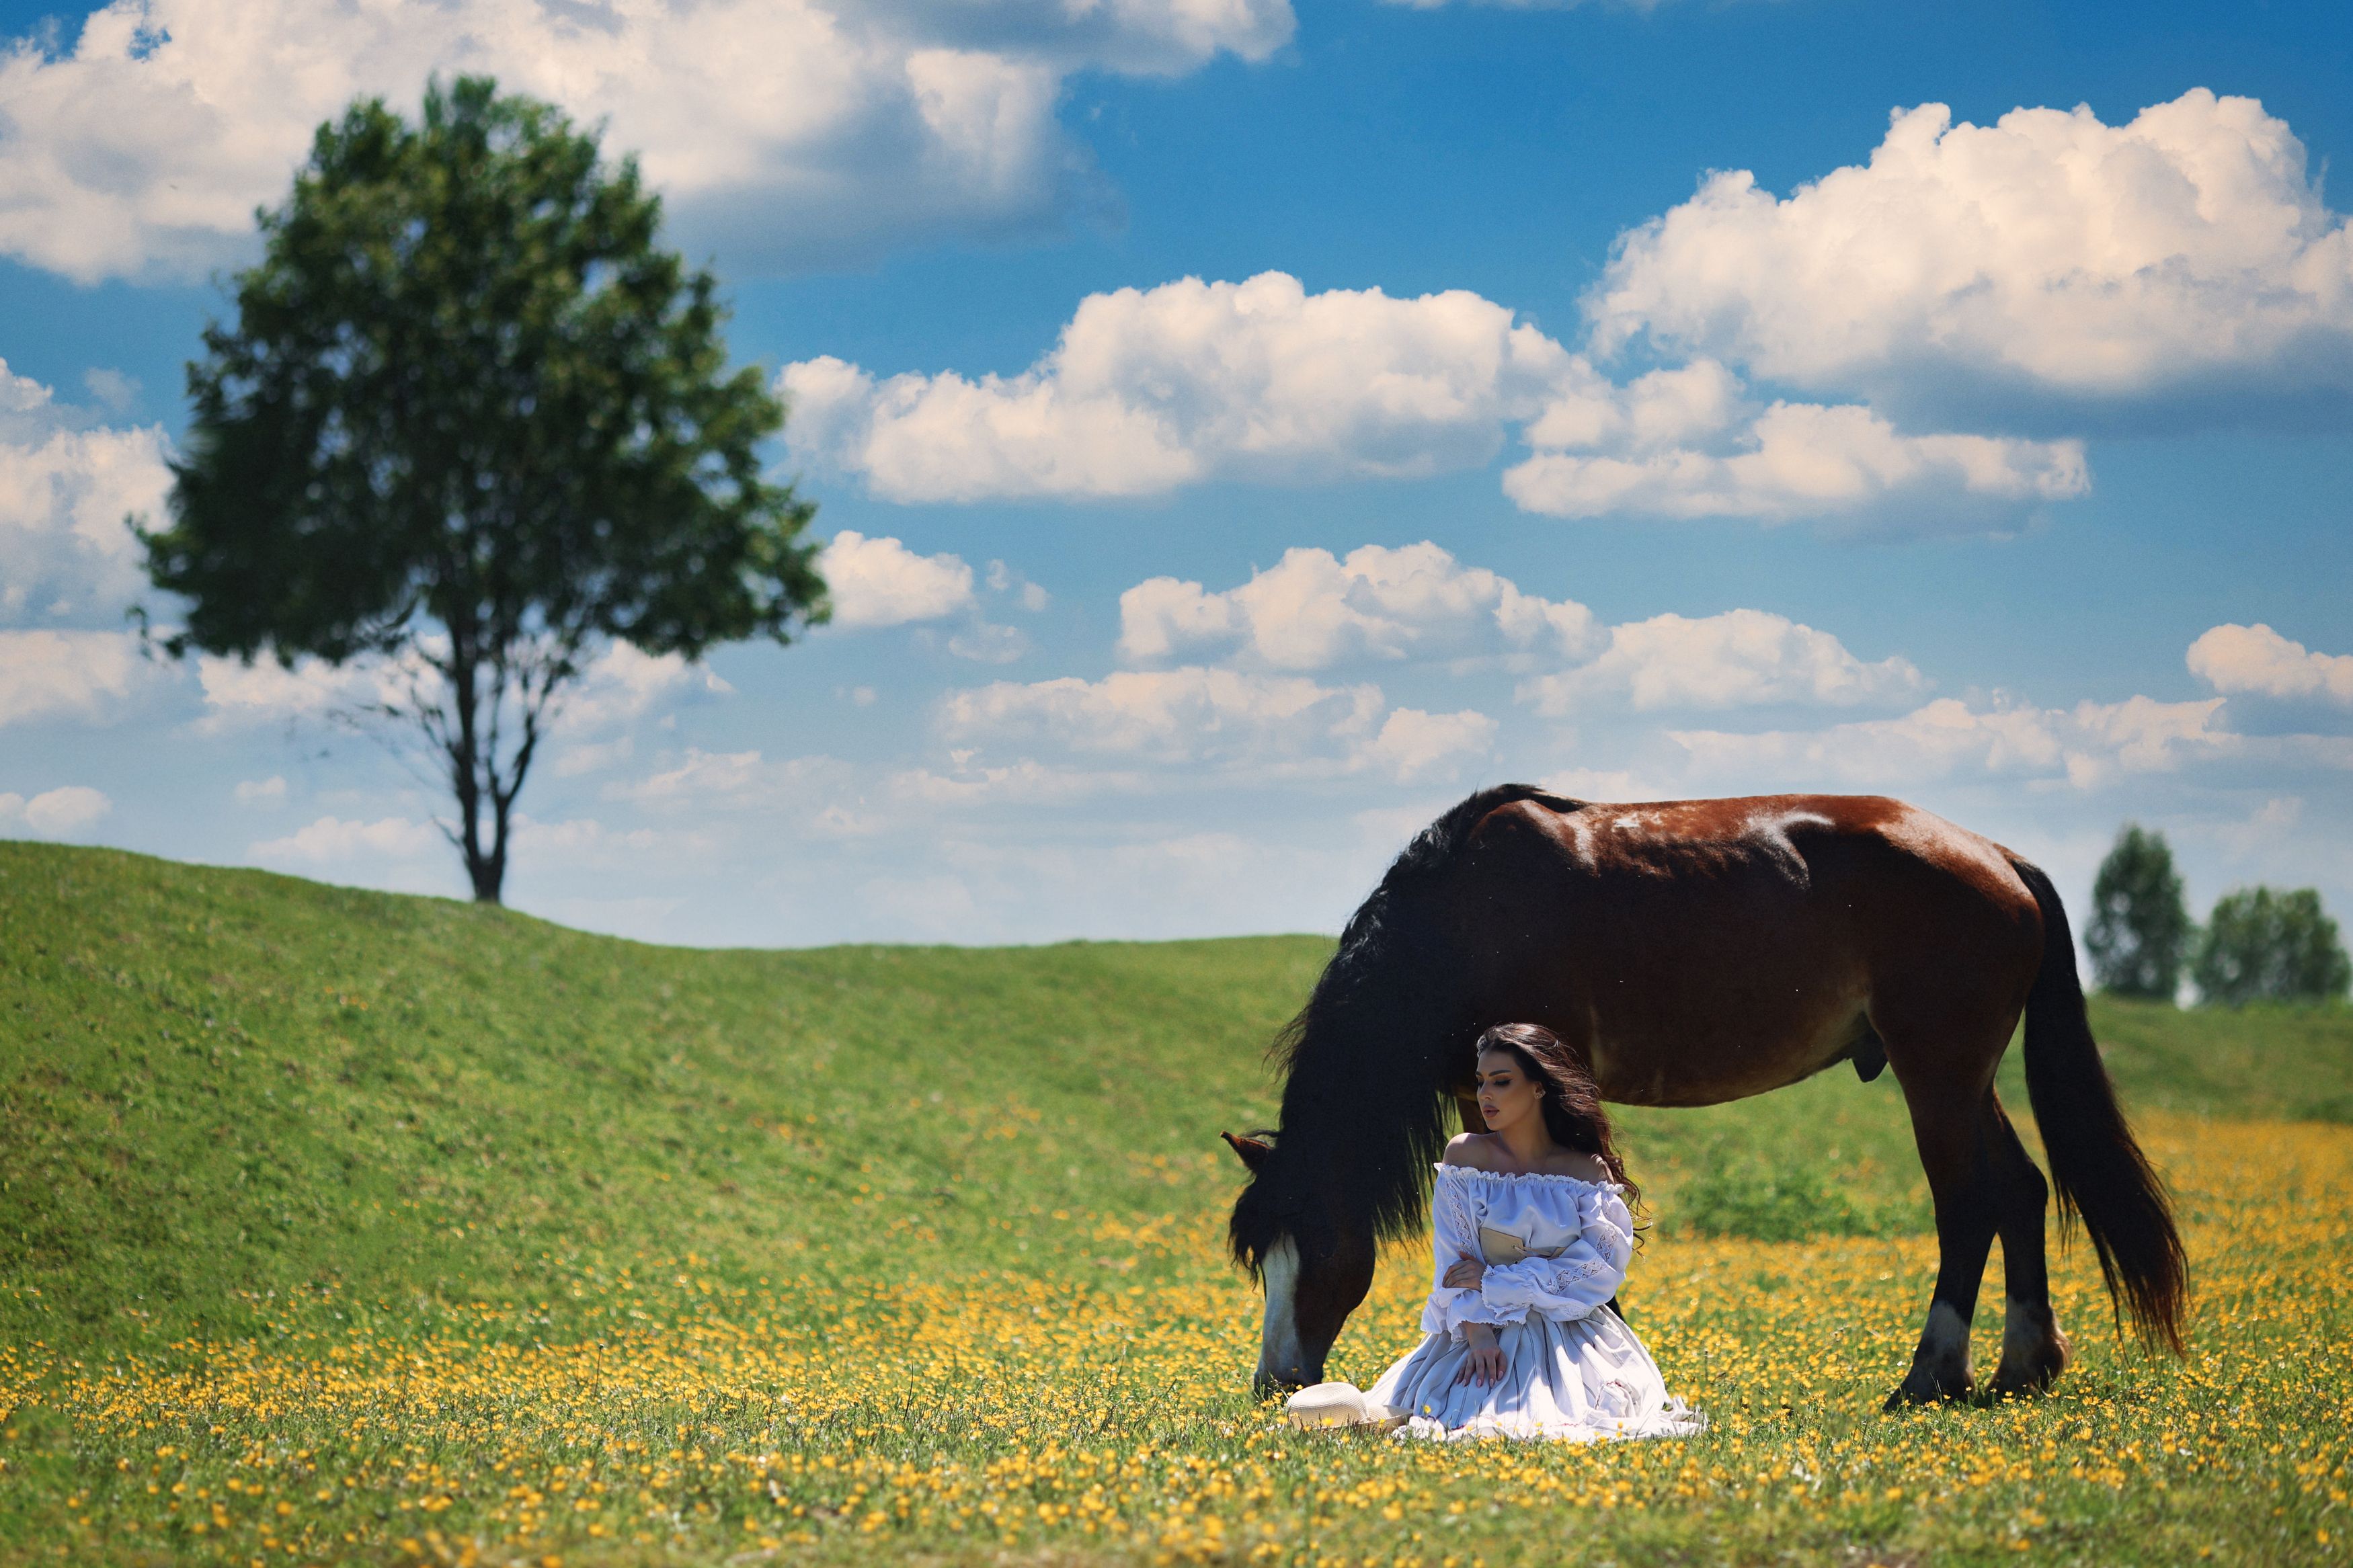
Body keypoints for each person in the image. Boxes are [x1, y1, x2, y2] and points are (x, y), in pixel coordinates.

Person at [1284, 1022, 1704, 1442]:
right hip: (1478, 1326)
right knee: (1453, 1407)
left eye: (1502, 1082)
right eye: (1481, 1081)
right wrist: (1480, 1336)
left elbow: (1599, 1268)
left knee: (1566, 1417)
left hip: (1568, 1332)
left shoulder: (1584, 1169)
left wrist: (1497, 1280)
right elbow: (1454, 1262)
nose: (1485, 1094)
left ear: (1540, 1087)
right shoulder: (1467, 1155)